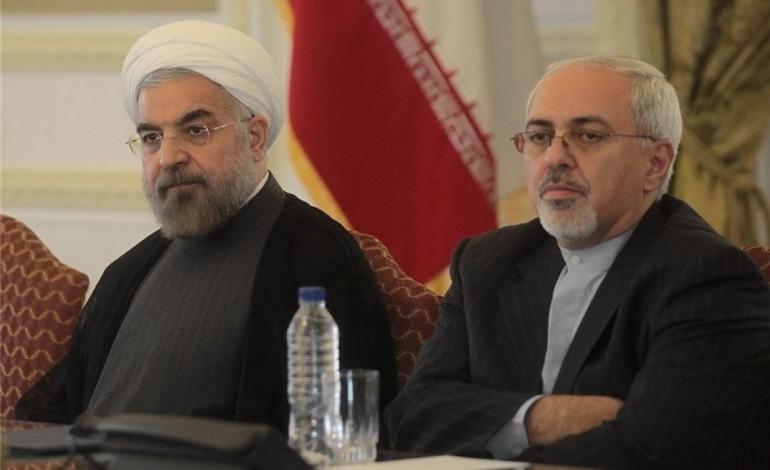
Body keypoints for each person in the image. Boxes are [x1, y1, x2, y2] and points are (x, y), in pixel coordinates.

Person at [385, 56, 770, 469]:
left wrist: (494, 431)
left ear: (655, 164)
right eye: (539, 136)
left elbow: (649, 453)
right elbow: (410, 418)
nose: (554, 157)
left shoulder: (707, 276)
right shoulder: (487, 261)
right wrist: (541, 418)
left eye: (588, 136)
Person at [16, 20, 398, 433]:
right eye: (151, 137)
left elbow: (337, 437)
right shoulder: (131, 269)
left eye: (195, 130)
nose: (168, 157)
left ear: (255, 137)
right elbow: (49, 418)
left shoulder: (314, 257)